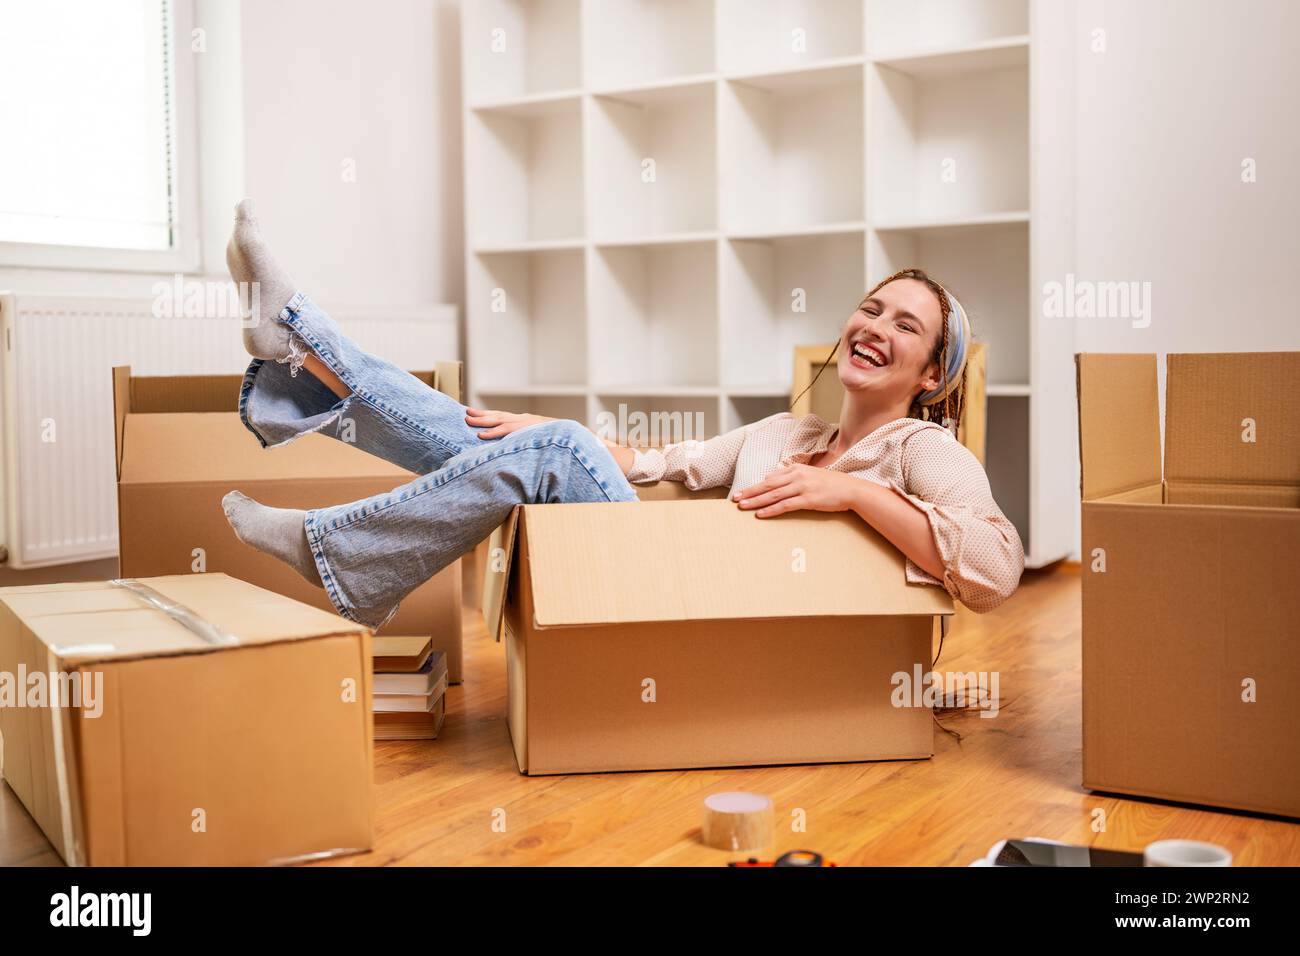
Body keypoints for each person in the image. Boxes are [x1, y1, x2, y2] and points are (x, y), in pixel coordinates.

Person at [222, 201, 1023, 629]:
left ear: (929, 376)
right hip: (663, 581)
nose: (874, 328)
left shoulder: (922, 448)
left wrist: (855, 494)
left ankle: (306, 383)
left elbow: (995, 570)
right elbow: (660, 463)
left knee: (559, 445)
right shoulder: (789, 433)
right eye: (871, 309)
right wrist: (540, 430)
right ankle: (301, 345)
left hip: (707, 615)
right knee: (526, 437)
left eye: (904, 327)